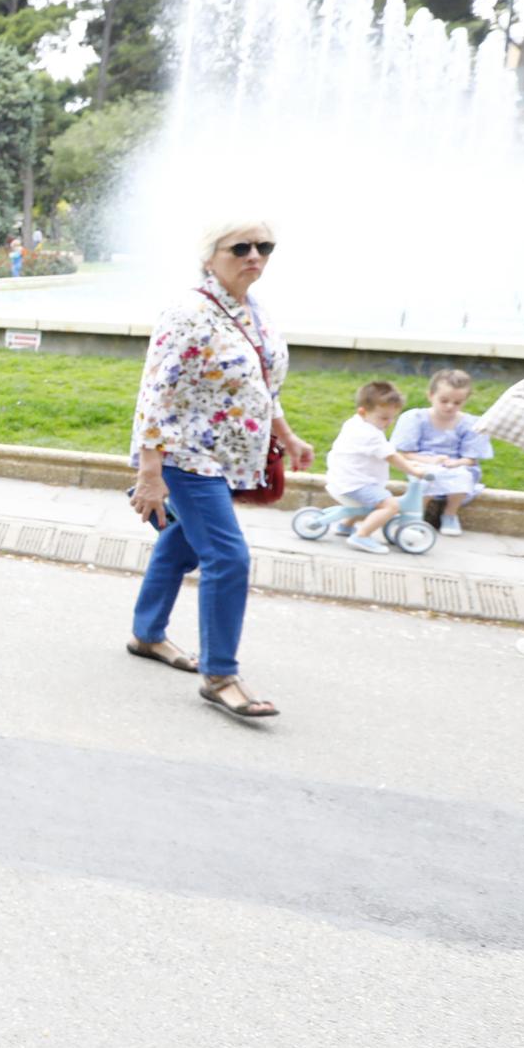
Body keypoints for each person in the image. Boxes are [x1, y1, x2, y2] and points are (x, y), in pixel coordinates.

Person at [127, 218, 314, 722]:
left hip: (227, 458)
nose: (255, 255)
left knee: (179, 542)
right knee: (229, 557)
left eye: (265, 247)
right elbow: (156, 394)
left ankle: (146, 634)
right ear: (210, 256)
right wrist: (150, 474)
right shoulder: (189, 313)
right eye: (241, 247)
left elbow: (262, 384)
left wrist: (287, 435)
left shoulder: (254, 310)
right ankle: (220, 675)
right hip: (187, 458)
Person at [326, 381, 434, 554]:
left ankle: (346, 525)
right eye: (384, 418)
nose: (389, 422)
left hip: (344, 478)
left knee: (370, 502)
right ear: (363, 412)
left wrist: (409, 463)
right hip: (356, 483)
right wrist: (413, 471)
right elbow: (391, 456)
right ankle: (361, 536)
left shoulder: (356, 423)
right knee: (390, 505)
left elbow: (383, 453)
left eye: (392, 417)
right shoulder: (371, 435)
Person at [391, 368, 493, 536]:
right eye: (444, 400)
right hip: (422, 462)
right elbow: (404, 453)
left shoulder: (470, 424)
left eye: (457, 402)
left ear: (465, 400)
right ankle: (416, 514)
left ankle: (450, 514)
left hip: (454, 465)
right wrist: (430, 460)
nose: (450, 406)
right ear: (431, 395)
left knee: (463, 475)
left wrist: (456, 462)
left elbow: (471, 459)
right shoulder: (415, 418)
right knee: (427, 476)